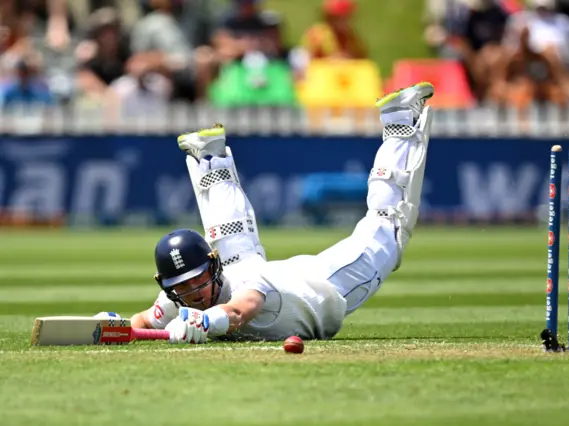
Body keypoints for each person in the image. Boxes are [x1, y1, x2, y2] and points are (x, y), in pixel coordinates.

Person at [118, 82, 435, 343]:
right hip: (277, 276)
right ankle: (211, 159)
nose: (194, 293)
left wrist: (204, 321)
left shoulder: (247, 285)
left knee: (389, 228)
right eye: (183, 287)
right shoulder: (181, 298)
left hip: (324, 286)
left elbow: (240, 312)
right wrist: (116, 328)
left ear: (212, 267)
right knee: (237, 250)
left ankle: (400, 119)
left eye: (198, 280)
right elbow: (144, 319)